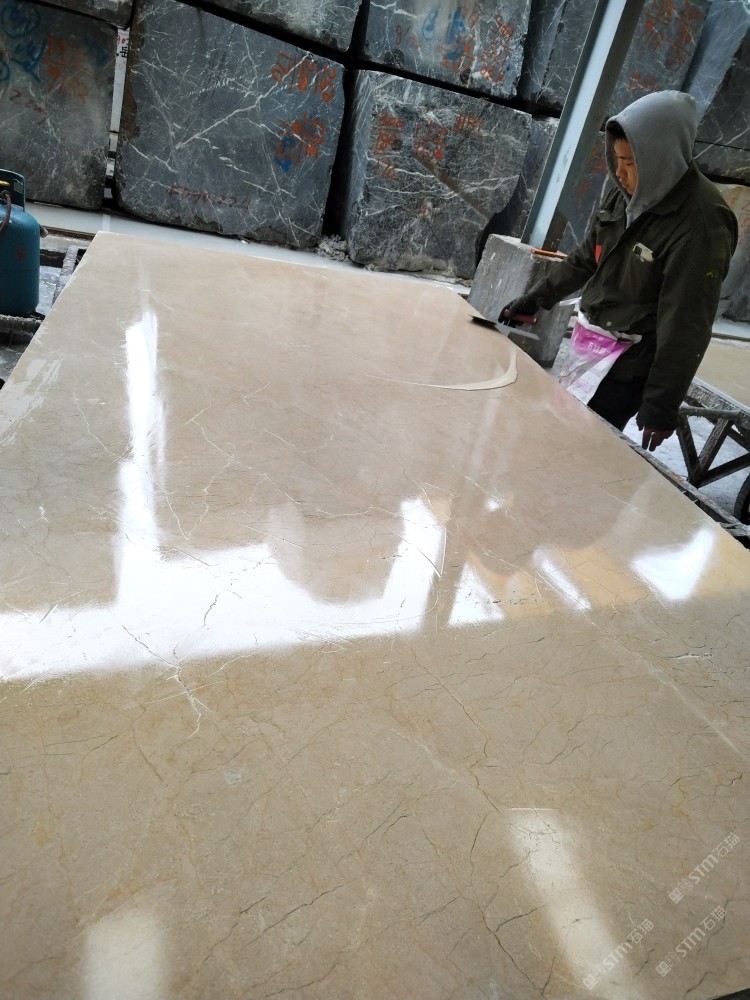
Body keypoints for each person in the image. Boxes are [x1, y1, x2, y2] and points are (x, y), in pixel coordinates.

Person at [500, 90, 738, 452]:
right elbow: (587, 257)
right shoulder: (624, 192)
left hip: (629, 365)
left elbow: (685, 325)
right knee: (555, 434)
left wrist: (660, 405)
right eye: (617, 159)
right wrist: (536, 298)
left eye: (629, 163)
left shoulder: (701, 225)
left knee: (577, 450)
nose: (620, 173)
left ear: (660, 159)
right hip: (590, 343)